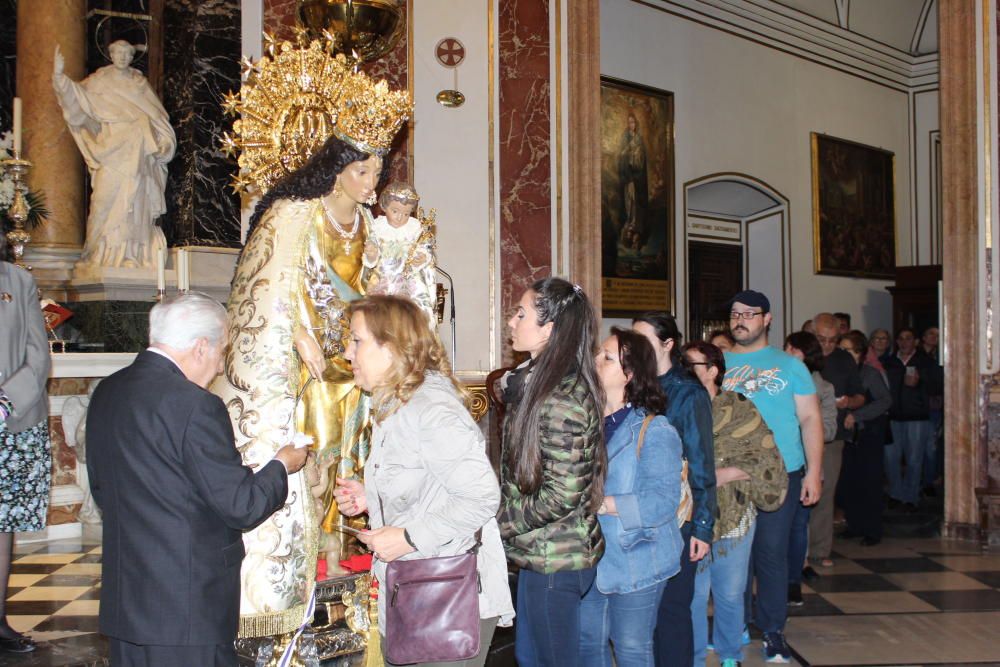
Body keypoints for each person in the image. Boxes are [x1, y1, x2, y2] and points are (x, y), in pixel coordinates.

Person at [212, 128, 397, 634]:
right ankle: (310, 554)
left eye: (378, 173)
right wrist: (298, 334)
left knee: (350, 453)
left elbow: (367, 283)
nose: (371, 183)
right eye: (363, 172)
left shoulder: (366, 223)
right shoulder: (297, 213)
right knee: (316, 454)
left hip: (354, 361)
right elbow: (270, 283)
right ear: (336, 169)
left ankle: (339, 550)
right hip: (311, 366)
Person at [86, 293, 307, 666]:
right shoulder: (196, 405)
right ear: (201, 347)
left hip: (128, 602)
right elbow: (241, 506)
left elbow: (102, 491)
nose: (220, 367)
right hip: (187, 607)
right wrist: (282, 465)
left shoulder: (108, 391)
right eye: (222, 352)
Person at [332, 295, 513, 667]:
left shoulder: (431, 410)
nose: (348, 353)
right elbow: (430, 482)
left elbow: (480, 498)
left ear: (393, 347)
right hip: (417, 586)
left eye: (357, 340)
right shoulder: (397, 404)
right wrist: (372, 497)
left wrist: (407, 536)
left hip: (445, 593)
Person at [497, 277, 605, 667]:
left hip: (556, 559)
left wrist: (499, 523)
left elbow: (564, 494)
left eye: (521, 314)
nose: (511, 322)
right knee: (531, 657)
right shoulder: (541, 381)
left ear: (550, 329)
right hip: (540, 551)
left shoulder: (562, 396)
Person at [721, 290, 823, 663]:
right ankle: (736, 624)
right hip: (730, 476)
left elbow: (810, 419)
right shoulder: (720, 363)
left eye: (750, 313)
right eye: (735, 313)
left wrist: (814, 472)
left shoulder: (790, 365)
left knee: (771, 554)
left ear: (767, 319)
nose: (741, 320)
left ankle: (774, 629)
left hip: (781, 472)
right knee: (733, 554)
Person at [579, 328, 684, 667]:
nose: (595, 362)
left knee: (631, 649)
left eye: (606, 358)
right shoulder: (586, 424)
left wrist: (601, 504)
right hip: (590, 557)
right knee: (587, 644)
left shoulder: (655, 431)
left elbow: (660, 503)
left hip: (638, 558)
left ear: (631, 374)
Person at [682, 341, 787, 667]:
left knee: (729, 593)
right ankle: (696, 657)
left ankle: (729, 654)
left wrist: (723, 473)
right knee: (694, 596)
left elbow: (766, 457)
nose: (684, 372)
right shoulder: (678, 407)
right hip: (689, 516)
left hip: (735, 516)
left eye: (692, 366)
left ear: (713, 371)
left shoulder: (740, 407)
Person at [631, 312, 715, 667]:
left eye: (643, 341)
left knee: (673, 609)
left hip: (679, 516)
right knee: (639, 613)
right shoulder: (631, 384)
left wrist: (703, 526)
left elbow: (701, 461)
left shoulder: (688, 391)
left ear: (668, 344)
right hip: (639, 510)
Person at [52, 41, 175, 269]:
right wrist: (60, 78)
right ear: (110, 55)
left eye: (127, 53)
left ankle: (131, 255)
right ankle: (97, 251)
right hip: (110, 150)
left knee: (135, 205)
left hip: (138, 153)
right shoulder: (99, 82)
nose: (122, 57)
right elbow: (76, 99)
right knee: (102, 203)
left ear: (131, 57)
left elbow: (159, 120)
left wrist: (166, 143)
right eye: (118, 52)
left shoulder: (139, 84)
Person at [0, 245, 51, 654]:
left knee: (2, 524)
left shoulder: (17, 280)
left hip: (10, 421)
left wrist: (5, 401)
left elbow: (38, 353)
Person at [808, 314, 864, 568]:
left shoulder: (844, 360)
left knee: (825, 492)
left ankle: (820, 550)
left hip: (833, 437)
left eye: (832, 340)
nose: (827, 346)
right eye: (822, 339)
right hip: (801, 436)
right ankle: (799, 549)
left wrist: (848, 403)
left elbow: (860, 396)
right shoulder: (803, 356)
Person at [783, 331, 836, 597]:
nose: (788, 354)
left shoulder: (823, 388)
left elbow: (828, 428)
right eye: (787, 348)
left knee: (797, 525)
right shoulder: (777, 381)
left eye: (795, 350)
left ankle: (793, 581)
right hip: (776, 464)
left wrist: (802, 422)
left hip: (804, 464)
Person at [838, 330, 892, 545]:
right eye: (840, 350)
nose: (842, 354)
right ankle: (854, 524)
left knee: (870, 482)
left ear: (859, 353)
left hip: (869, 434)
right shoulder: (841, 372)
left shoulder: (869, 373)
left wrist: (857, 415)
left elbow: (885, 401)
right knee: (849, 482)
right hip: (849, 436)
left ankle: (872, 530)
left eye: (846, 350)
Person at [363, 182, 437, 322]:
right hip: (384, 279)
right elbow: (371, 250)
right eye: (395, 211)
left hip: (409, 281)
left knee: (410, 318)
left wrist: (422, 258)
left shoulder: (415, 228)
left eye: (406, 214)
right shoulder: (378, 227)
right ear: (384, 207)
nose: (400, 217)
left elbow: (424, 247)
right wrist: (371, 254)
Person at [883, 328, 936, 511]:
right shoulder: (889, 362)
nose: (905, 342)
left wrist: (920, 382)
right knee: (891, 458)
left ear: (915, 341)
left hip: (917, 416)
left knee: (914, 459)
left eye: (908, 338)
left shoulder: (925, 361)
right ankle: (896, 494)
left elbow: (937, 385)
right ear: (896, 342)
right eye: (901, 338)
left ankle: (910, 497)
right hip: (893, 416)